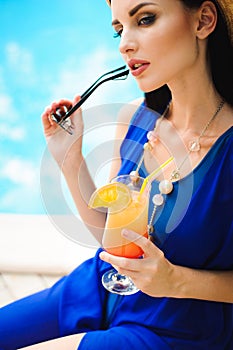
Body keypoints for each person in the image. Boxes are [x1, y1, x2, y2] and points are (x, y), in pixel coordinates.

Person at [0, 0, 232, 349]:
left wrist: (176, 282)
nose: (125, 43)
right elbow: (113, 240)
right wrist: (70, 159)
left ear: (204, 20)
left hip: (176, 329)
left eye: (145, 19)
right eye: (119, 29)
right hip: (95, 288)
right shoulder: (134, 119)